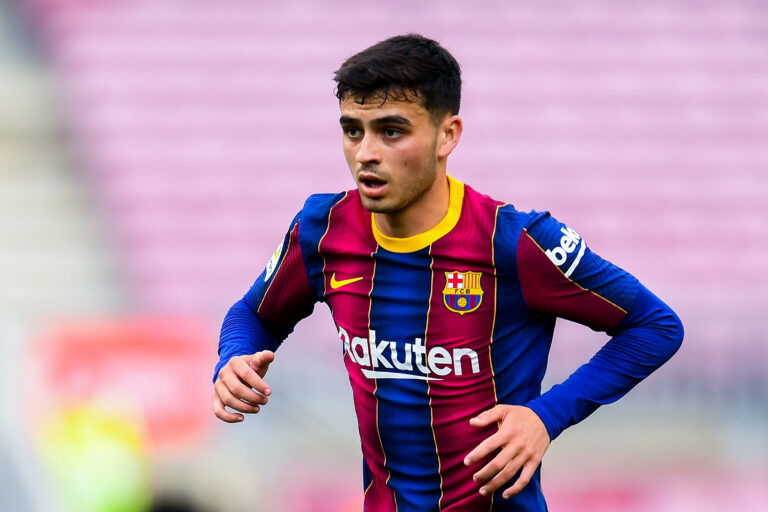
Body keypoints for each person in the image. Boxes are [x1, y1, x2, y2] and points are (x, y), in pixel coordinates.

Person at [211, 34, 684, 511]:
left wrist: (546, 416)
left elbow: (654, 325)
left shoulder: (515, 241)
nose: (365, 153)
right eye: (353, 130)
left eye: (392, 131)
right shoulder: (322, 229)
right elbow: (253, 313)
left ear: (448, 135)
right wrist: (233, 358)